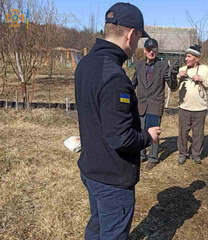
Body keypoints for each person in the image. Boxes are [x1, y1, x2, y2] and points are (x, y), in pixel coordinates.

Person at [75, 3, 161, 240]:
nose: (138, 46)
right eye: (140, 38)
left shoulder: (85, 64)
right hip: (111, 178)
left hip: (91, 169)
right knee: (112, 233)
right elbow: (120, 137)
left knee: (97, 226)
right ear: (131, 34)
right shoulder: (114, 77)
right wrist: (148, 137)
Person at [132, 38, 178, 170]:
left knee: (154, 132)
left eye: (154, 50)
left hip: (155, 104)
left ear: (157, 51)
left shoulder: (163, 66)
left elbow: (172, 86)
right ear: (145, 51)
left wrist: (173, 76)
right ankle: (141, 155)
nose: (151, 52)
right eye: (149, 49)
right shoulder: (139, 65)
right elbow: (133, 83)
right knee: (140, 130)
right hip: (141, 104)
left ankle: (153, 157)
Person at [176, 44, 208, 165]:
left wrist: (202, 79)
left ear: (196, 58)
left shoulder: (205, 69)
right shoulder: (182, 69)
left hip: (199, 108)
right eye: (186, 56)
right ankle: (182, 154)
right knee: (183, 133)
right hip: (184, 107)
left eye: (189, 56)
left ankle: (196, 154)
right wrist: (178, 77)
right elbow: (173, 87)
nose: (186, 59)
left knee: (198, 133)